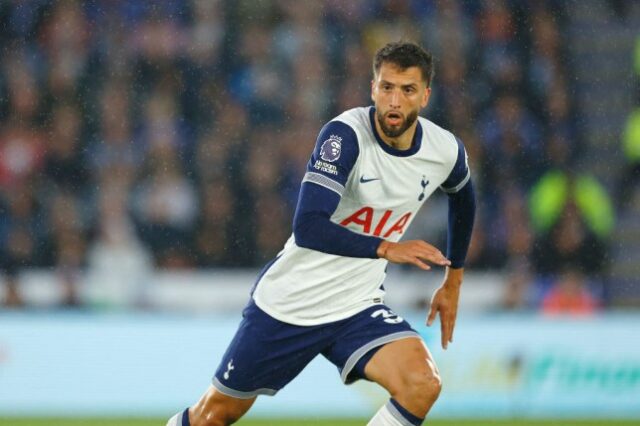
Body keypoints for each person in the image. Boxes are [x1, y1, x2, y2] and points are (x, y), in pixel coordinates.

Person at [167, 41, 476, 426]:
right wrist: (385, 248)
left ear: (425, 96)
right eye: (387, 87)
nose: (395, 101)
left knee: (422, 383)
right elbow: (309, 226)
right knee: (212, 416)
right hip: (291, 302)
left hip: (356, 305)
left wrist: (453, 280)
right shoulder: (344, 137)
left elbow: (464, 195)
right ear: (372, 88)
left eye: (407, 90)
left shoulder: (443, 149)